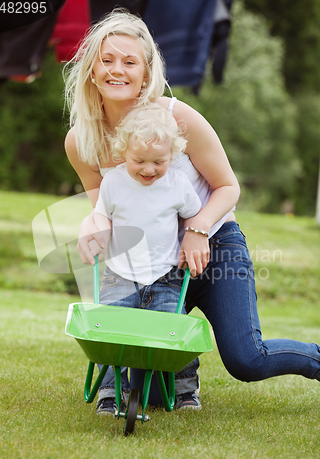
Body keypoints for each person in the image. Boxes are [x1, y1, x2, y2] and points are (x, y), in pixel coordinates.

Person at [64, 9, 320, 413]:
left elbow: (228, 186)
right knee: (147, 394)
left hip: (214, 248)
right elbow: (104, 211)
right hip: (153, 264)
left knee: (246, 359)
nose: (117, 70)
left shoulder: (177, 117)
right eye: (107, 60)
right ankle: (182, 371)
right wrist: (89, 225)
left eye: (129, 62)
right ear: (91, 70)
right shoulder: (81, 140)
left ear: (146, 72)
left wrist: (198, 227)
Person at [92, 102, 202, 413]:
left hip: (165, 277)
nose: (149, 169)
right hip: (120, 275)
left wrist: (192, 237)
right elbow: (102, 216)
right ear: (123, 151)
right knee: (112, 332)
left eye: (159, 161)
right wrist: (97, 234)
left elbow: (194, 217)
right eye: (139, 160)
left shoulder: (177, 184)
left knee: (174, 330)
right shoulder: (113, 182)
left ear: (173, 154)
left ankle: (185, 390)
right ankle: (111, 392)